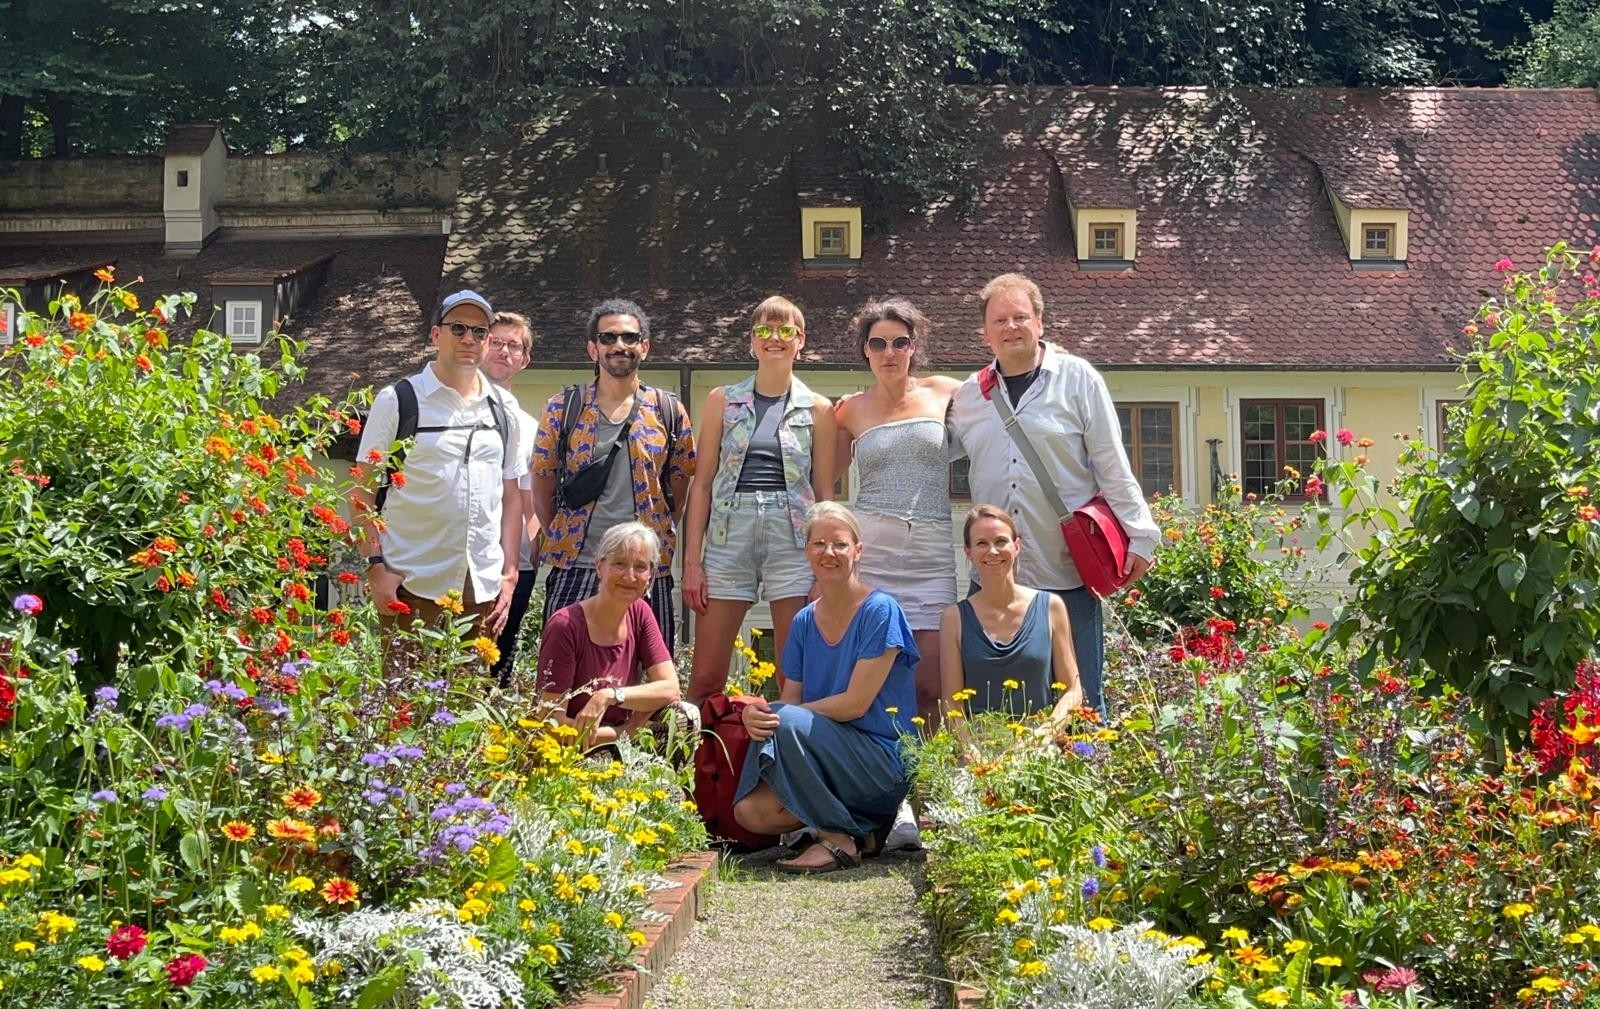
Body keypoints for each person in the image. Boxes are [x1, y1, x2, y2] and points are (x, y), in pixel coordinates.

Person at [948, 273, 1159, 717]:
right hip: (993, 574)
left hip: (1067, 568)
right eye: (999, 320)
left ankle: (1085, 778)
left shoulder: (1077, 379)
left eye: (1020, 317)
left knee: (1083, 705)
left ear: (1040, 323)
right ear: (984, 332)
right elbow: (928, 445)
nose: (1011, 328)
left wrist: (1141, 535)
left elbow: (1110, 462)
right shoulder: (969, 396)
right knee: (991, 703)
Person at [732, 502, 919, 873]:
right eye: (818, 544)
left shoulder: (880, 610)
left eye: (840, 544)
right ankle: (863, 830)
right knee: (751, 812)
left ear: (858, 551)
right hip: (824, 760)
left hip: (880, 763)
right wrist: (761, 716)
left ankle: (837, 838)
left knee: (782, 719)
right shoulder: (803, 621)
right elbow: (791, 702)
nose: (828, 553)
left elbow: (855, 705)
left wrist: (780, 714)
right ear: (807, 551)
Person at [351, 290, 526, 663]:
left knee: (468, 712)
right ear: (435, 335)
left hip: (481, 591)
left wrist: (509, 574)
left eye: (479, 332)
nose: (469, 339)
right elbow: (360, 493)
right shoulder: (398, 401)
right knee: (404, 710)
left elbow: (512, 496)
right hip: (410, 584)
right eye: (458, 328)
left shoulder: (504, 408)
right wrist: (375, 568)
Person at [683, 296, 836, 700]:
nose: (775, 338)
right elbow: (701, 484)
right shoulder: (722, 400)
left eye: (785, 330)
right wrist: (693, 562)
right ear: (751, 340)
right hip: (729, 533)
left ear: (800, 340)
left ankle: (784, 759)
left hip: (793, 538)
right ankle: (698, 759)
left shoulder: (818, 409)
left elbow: (823, 492)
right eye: (765, 330)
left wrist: (822, 569)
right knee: (705, 678)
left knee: (793, 678)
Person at [530, 299, 696, 652]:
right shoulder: (564, 408)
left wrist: (655, 536)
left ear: (644, 347)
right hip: (577, 563)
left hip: (645, 570)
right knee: (562, 674)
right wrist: (561, 533)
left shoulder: (668, 410)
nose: (619, 346)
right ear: (593, 348)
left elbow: (679, 488)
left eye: (629, 338)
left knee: (650, 678)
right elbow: (542, 481)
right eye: (608, 338)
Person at [833, 297, 959, 722]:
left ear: (913, 347)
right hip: (873, 556)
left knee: (931, 685)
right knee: (873, 680)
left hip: (931, 555)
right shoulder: (848, 410)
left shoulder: (944, 391)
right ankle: (882, 780)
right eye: (878, 343)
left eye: (899, 342)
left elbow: (1004, 393)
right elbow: (818, 478)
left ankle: (930, 786)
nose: (889, 353)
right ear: (865, 350)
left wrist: (1055, 356)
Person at [534, 522, 688, 746]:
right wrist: (625, 732)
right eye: (619, 564)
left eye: (640, 567)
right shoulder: (565, 625)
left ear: (651, 576)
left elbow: (671, 688)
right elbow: (550, 723)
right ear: (599, 567)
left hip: (619, 748)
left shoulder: (640, 613)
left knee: (685, 715)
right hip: (569, 751)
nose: (630, 576)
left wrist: (608, 696)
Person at [939, 505, 1083, 723]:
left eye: (1000, 541)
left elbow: (1072, 691)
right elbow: (951, 702)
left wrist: (1043, 736)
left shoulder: (1051, 607)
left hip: (1040, 746)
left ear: (1017, 546)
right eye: (981, 543)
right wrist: (972, 751)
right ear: (968, 552)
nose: (993, 551)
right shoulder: (954, 618)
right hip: (981, 745)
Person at [482, 310, 541, 687]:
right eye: (497, 341)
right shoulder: (450, 410)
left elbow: (530, 495)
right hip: (460, 555)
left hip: (514, 564)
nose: (504, 351)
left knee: (498, 666)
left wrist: (536, 548)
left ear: (525, 359)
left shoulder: (529, 425)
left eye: (514, 345)